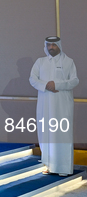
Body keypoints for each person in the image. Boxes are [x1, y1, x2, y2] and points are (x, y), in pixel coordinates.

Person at [29, 36, 79, 176]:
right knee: (46, 133)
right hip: (45, 104)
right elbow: (32, 79)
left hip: (62, 104)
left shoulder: (69, 62)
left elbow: (74, 81)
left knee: (62, 134)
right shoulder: (40, 62)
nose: (51, 47)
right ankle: (48, 165)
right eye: (49, 45)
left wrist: (57, 85)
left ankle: (63, 168)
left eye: (54, 45)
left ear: (59, 46)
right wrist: (46, 86)